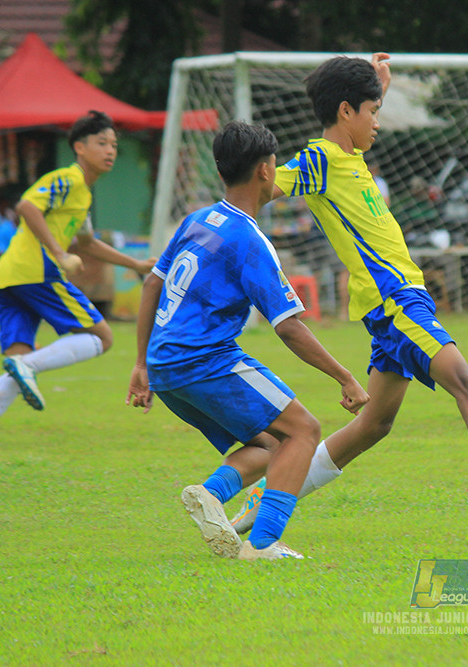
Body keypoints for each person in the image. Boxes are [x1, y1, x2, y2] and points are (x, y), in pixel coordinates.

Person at [231, 53, 468, 538]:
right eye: (373, 111)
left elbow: (343, 134)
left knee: (372, 427)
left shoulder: (347, 155)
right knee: (465, 381)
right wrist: (225, 217)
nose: (378, 122)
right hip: (396, 302)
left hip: (395, 304)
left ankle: (262, 497)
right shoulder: (320, 160)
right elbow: (267, 184)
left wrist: (379, 87)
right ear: (347, 111)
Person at [125, 121, 369, 561]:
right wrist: (344, 376)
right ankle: (262, 544)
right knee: (305, 430)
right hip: (204, 359)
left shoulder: (198, 219)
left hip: (164, 364)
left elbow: (151, 285)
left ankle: (210, 493)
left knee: (271, 444)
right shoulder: (249, 240)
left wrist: (141, 363)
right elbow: (289, 326)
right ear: (265, 170)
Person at [0, 111, 156, 446]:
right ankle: (27, 366)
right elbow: (27, 207)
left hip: (9, 277)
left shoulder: (83, 195)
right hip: (37, 272)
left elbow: (88, 243)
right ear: (79, 147)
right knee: (102, 336)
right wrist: (59, 254)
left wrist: (134, 262)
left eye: (114, 145)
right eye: (102, 143)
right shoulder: (68, 179)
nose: (110, 151)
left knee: (17, 359)